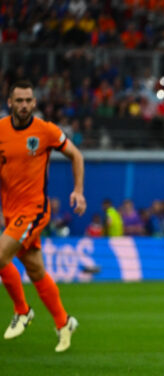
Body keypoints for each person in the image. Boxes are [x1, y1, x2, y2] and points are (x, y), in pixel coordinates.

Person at [0, 80, 86, 351]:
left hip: (35, 210)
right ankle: (64, 322)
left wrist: (78, 191)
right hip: (11, 213)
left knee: (0, 256)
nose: (24, 105)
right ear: (10, 103)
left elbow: (76, 155)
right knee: (36, 269)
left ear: (34, 103)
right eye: (19, 100)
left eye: (28, 100)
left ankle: (22, 311)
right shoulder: (0, 131)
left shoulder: (46, 131)